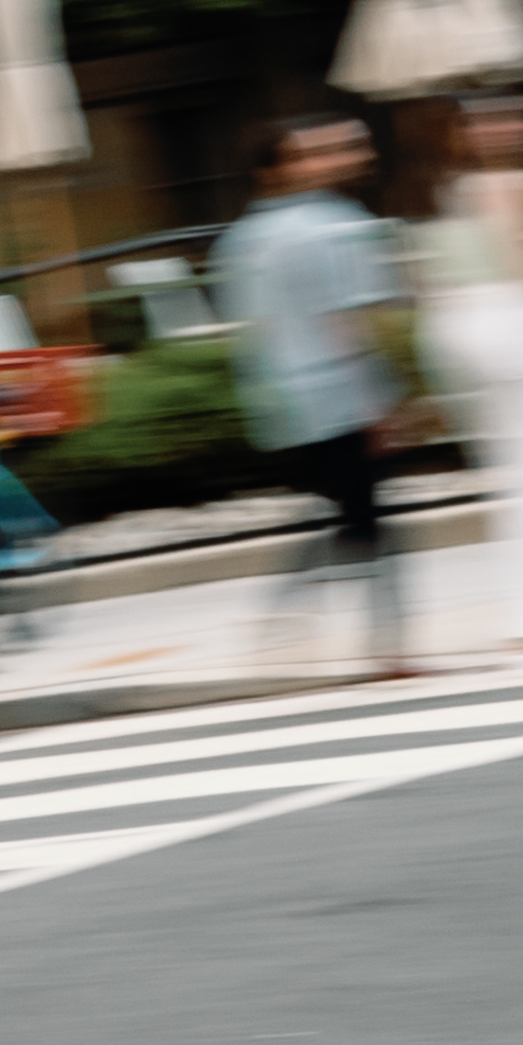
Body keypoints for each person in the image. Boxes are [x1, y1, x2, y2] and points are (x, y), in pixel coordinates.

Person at [214, 112, 417, 675]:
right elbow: (348, 322)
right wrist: (384, 401)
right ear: (277, 169)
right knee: (363, 518)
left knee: (348, 512)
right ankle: (385, 644)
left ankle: (290, 624)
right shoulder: (333, 223)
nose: (332, 161)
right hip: (338, 392)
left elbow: (249, 327)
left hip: (285, 398)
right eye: (310, 153)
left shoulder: (242, 236)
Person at [414, 93, 523, 650]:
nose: (509, 126)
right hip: (501, 334)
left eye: (516, 114)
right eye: (489, 119)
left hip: (492, 333)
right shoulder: (463, 190)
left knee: (518, 477)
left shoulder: (449, 190)